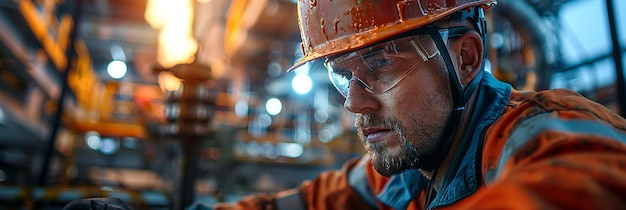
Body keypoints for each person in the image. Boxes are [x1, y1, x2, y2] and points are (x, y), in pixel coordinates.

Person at [65, 0, 626, 209]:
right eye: (341, 74)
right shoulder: (407, 175)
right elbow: (304, 203)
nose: (354, 103)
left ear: (466, 58)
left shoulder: (547, 138)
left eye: (380, 65)